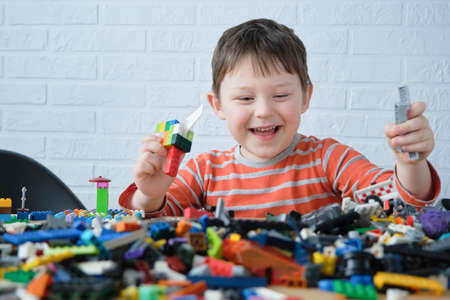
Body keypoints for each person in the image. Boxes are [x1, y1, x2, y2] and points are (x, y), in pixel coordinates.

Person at [119, 18, 440, 218]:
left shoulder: (329, 158)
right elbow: (153, 219)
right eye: (245, 98)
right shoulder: (205, 171)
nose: (263, 111)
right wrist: (150, 193)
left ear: (306, 98)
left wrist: (411, 165)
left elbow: (400, 203)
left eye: (281, 95)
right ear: (217, 105)